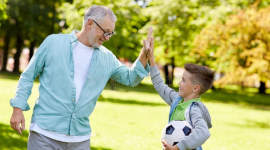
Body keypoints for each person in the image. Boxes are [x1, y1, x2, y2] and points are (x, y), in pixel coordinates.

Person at [10, 5, 153, 150]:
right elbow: (28, 76)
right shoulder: (53, 43)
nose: (107, 38)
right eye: (105, 32)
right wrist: (18, 108)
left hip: (80, 139)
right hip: (44, 135)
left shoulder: (107, 57)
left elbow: (130, 78)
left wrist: (144, 53)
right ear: (90, 23)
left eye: (110, 33)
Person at [148, 46, 214, 150]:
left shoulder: (194, 110)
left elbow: (203, 132)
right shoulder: (177, 100)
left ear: (195, 88)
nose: (179, 82)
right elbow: (160, 85)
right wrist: (151, 59)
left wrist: (178, 148)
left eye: (183, 80)